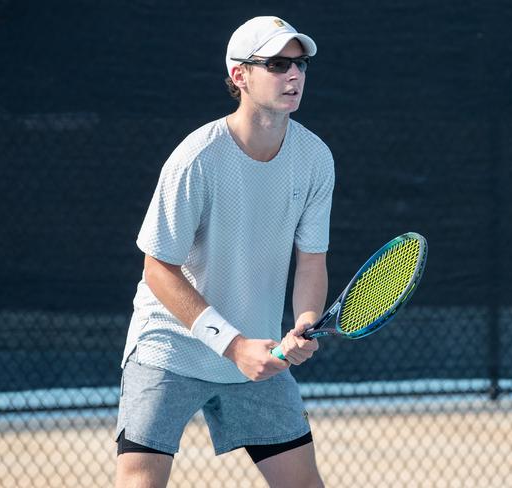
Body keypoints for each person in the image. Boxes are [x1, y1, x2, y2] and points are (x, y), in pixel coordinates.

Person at [115, 16, 335, 488]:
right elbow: (158, 269)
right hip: (170, 350)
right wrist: (232, 345)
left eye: (300, 64)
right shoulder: (197, 157)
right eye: (277, 64)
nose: (294, 75)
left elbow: (311, 260)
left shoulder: (315, 158)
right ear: (240, 76)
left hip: (259, 355)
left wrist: (304, 321)